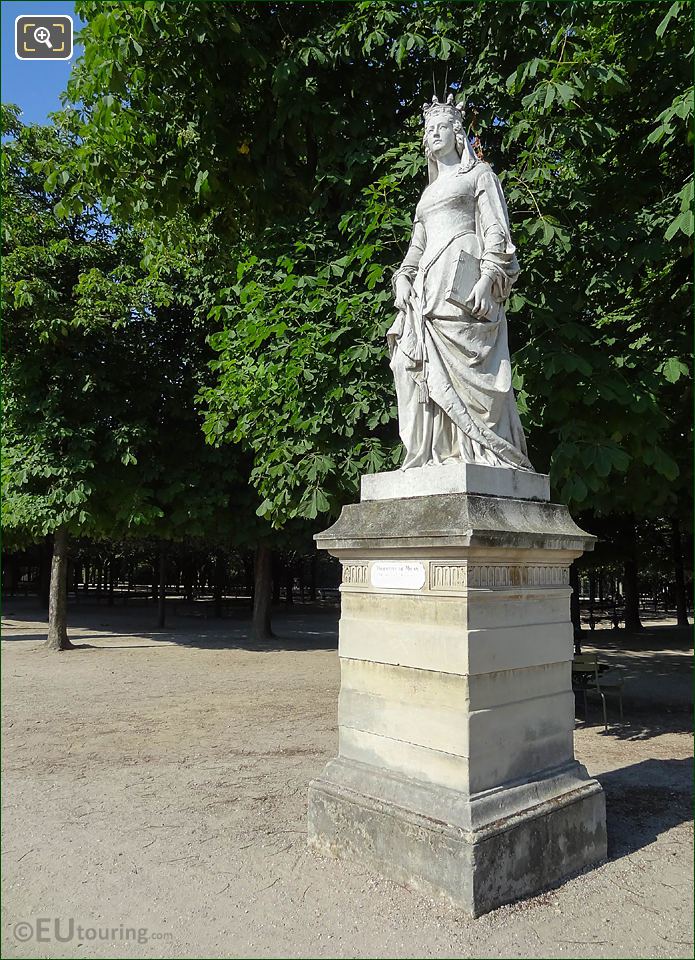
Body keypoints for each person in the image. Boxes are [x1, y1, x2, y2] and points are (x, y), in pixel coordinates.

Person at [387, 93, 533, 471]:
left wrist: (487, 280)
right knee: (408, 364)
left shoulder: (480, 176)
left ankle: (477, 452)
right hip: (426, 293)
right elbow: (415, 250)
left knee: (470, 371)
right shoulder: (428, 193)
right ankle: (433, 453)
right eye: (428, 129)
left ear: (456, 132)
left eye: (441, 127)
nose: (433, 134)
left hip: (463, 291)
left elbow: (497, 233)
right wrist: (402, 280)